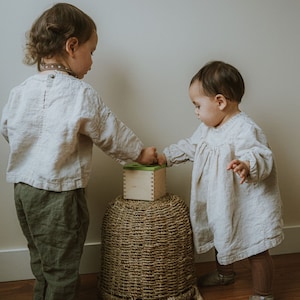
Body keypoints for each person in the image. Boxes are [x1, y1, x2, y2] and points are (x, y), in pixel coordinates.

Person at [0, 3, 157, 300]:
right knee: (63, 268)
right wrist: (140, 154)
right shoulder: (81, 94)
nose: (92, 62)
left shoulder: (20, 91)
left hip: (23, 191)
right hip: (60, 196)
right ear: (72, 46)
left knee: (41, 259)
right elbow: (111, 133)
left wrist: (34, 151)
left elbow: (8, 129)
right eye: (91, 51)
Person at [157, 61, 283, 300]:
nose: (195, 111)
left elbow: (262, 155)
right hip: (222, 199)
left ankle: (263, 294)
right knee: (221, 232)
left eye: (197, 105)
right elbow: (191, 147)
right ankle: (225, 273)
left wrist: (247, 165)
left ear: (220, 102)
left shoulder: (245, 128)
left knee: (257, 249)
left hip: (247, 203)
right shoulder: (208, 128)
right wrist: (166, 157)